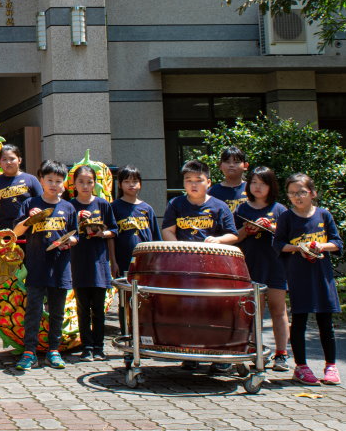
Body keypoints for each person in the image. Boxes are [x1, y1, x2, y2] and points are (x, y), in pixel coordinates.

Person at [161, 159, 238, 373]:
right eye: (188, 180)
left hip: (213, 268)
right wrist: (178, 248)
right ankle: (189, 353)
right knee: (187, 309)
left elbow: (233, 234)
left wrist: (219, 240)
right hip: (184, 266)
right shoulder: (176, 204)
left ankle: (219, 355)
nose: (193, 184)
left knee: (213, 310)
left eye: (198, 180)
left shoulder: (219, 206)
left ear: (209, 183)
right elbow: (167, 230)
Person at [275, 173, 343, 386]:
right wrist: (299, 248)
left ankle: (331, 366)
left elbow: (337, 243)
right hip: (298, 276)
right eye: (292, 193)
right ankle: (301, 367)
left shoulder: (324, 215)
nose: (297, 197)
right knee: (300, 321)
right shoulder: (286, 217)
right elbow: (278, 245)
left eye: (302, 192)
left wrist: (321, 246)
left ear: (313, 193)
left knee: (325, 322)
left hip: (322, 276)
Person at [11, 160, 77, 371]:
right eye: (49, 180)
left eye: (58, 181)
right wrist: (29, 220)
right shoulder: (30, 203)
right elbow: (17, 232)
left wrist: (71, 241)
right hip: (36, 265)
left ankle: (54, 350)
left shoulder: (68, 207)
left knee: (57, 311)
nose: (54, 184)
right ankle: (29, 352)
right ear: (41, 180)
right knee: (33, 310)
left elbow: (76, 235)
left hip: (60, 266)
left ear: (64, 184)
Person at [234, 166, 290, 372]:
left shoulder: (280, 209)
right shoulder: (242, 209)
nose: (258, 187)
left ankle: (281, 354)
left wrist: (272, 227)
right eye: (254, 182)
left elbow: (289, 239)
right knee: (252, 311)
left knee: (278, 309)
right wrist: (247, 230)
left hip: (275, 266)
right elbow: (234, 237)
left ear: (271, 186)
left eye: (263, 183)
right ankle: (251, 350)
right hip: (250, 266)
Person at [68, 165, 116, 362]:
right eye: (81, 182)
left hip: (99, 262)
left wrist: (101, 233)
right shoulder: (69, 206)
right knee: (82, 307)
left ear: (95, 183)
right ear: (74, 184)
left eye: (89, 182)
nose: (85, 186)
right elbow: (66, 231)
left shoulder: (103, 204)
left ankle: (99, 346)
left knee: (98, 308)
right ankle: (86, 346)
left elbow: (114, 230)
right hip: (78, 262)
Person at [109, 166, 157, 335]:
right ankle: (126, 334)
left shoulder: (147, 209)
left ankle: (144, 336)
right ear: (119, 184)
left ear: (141, 184)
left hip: (146, 264)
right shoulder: (114, 207)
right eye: (127, 181)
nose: (131, 185)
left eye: (135, 181)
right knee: (125, 299)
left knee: (145, 299)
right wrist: (113, 261)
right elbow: (111, 237)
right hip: (123, 261)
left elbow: (156, 238)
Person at [0, 144, 42, 230]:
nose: (8, 162)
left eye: (12, 159)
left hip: (30, 230)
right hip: (6, 231)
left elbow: (42, 202)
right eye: (4, 159)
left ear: (19, 160)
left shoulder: (31, 179)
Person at [209, 146, 249, 212]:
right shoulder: (212, 192)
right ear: (220, 165)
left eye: (236, 162)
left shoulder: (252, 189)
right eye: (227, 162)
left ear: (245, 166)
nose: (231, 165)